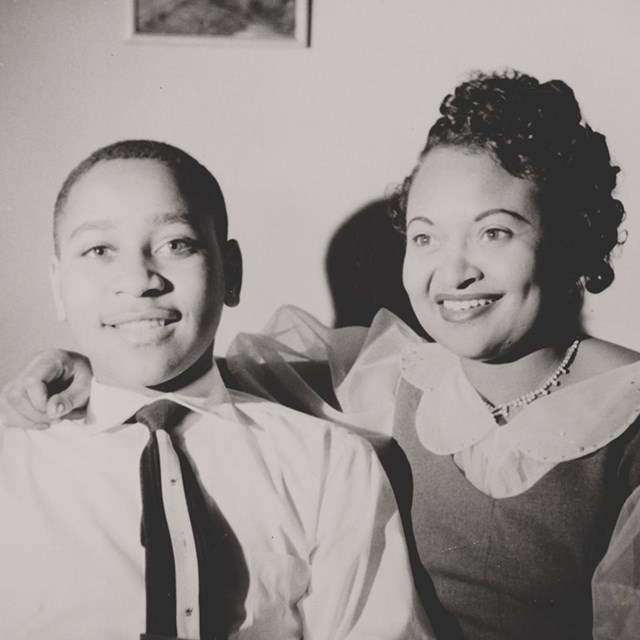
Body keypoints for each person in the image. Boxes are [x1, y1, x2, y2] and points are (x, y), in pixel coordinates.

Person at [3, 70, 639, 638]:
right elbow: (186, 378)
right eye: (424, 237)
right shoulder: (389, 375)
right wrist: (91, 366)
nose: (455, 271)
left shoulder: (625, 418)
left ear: (572, 238)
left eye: (495, 231)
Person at [0, 139, 434, 639]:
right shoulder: (14, 461)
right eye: (99, 250)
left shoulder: (331, 463)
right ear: (58, 285)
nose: (139, 279)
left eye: (176, 244)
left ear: (232, 273)